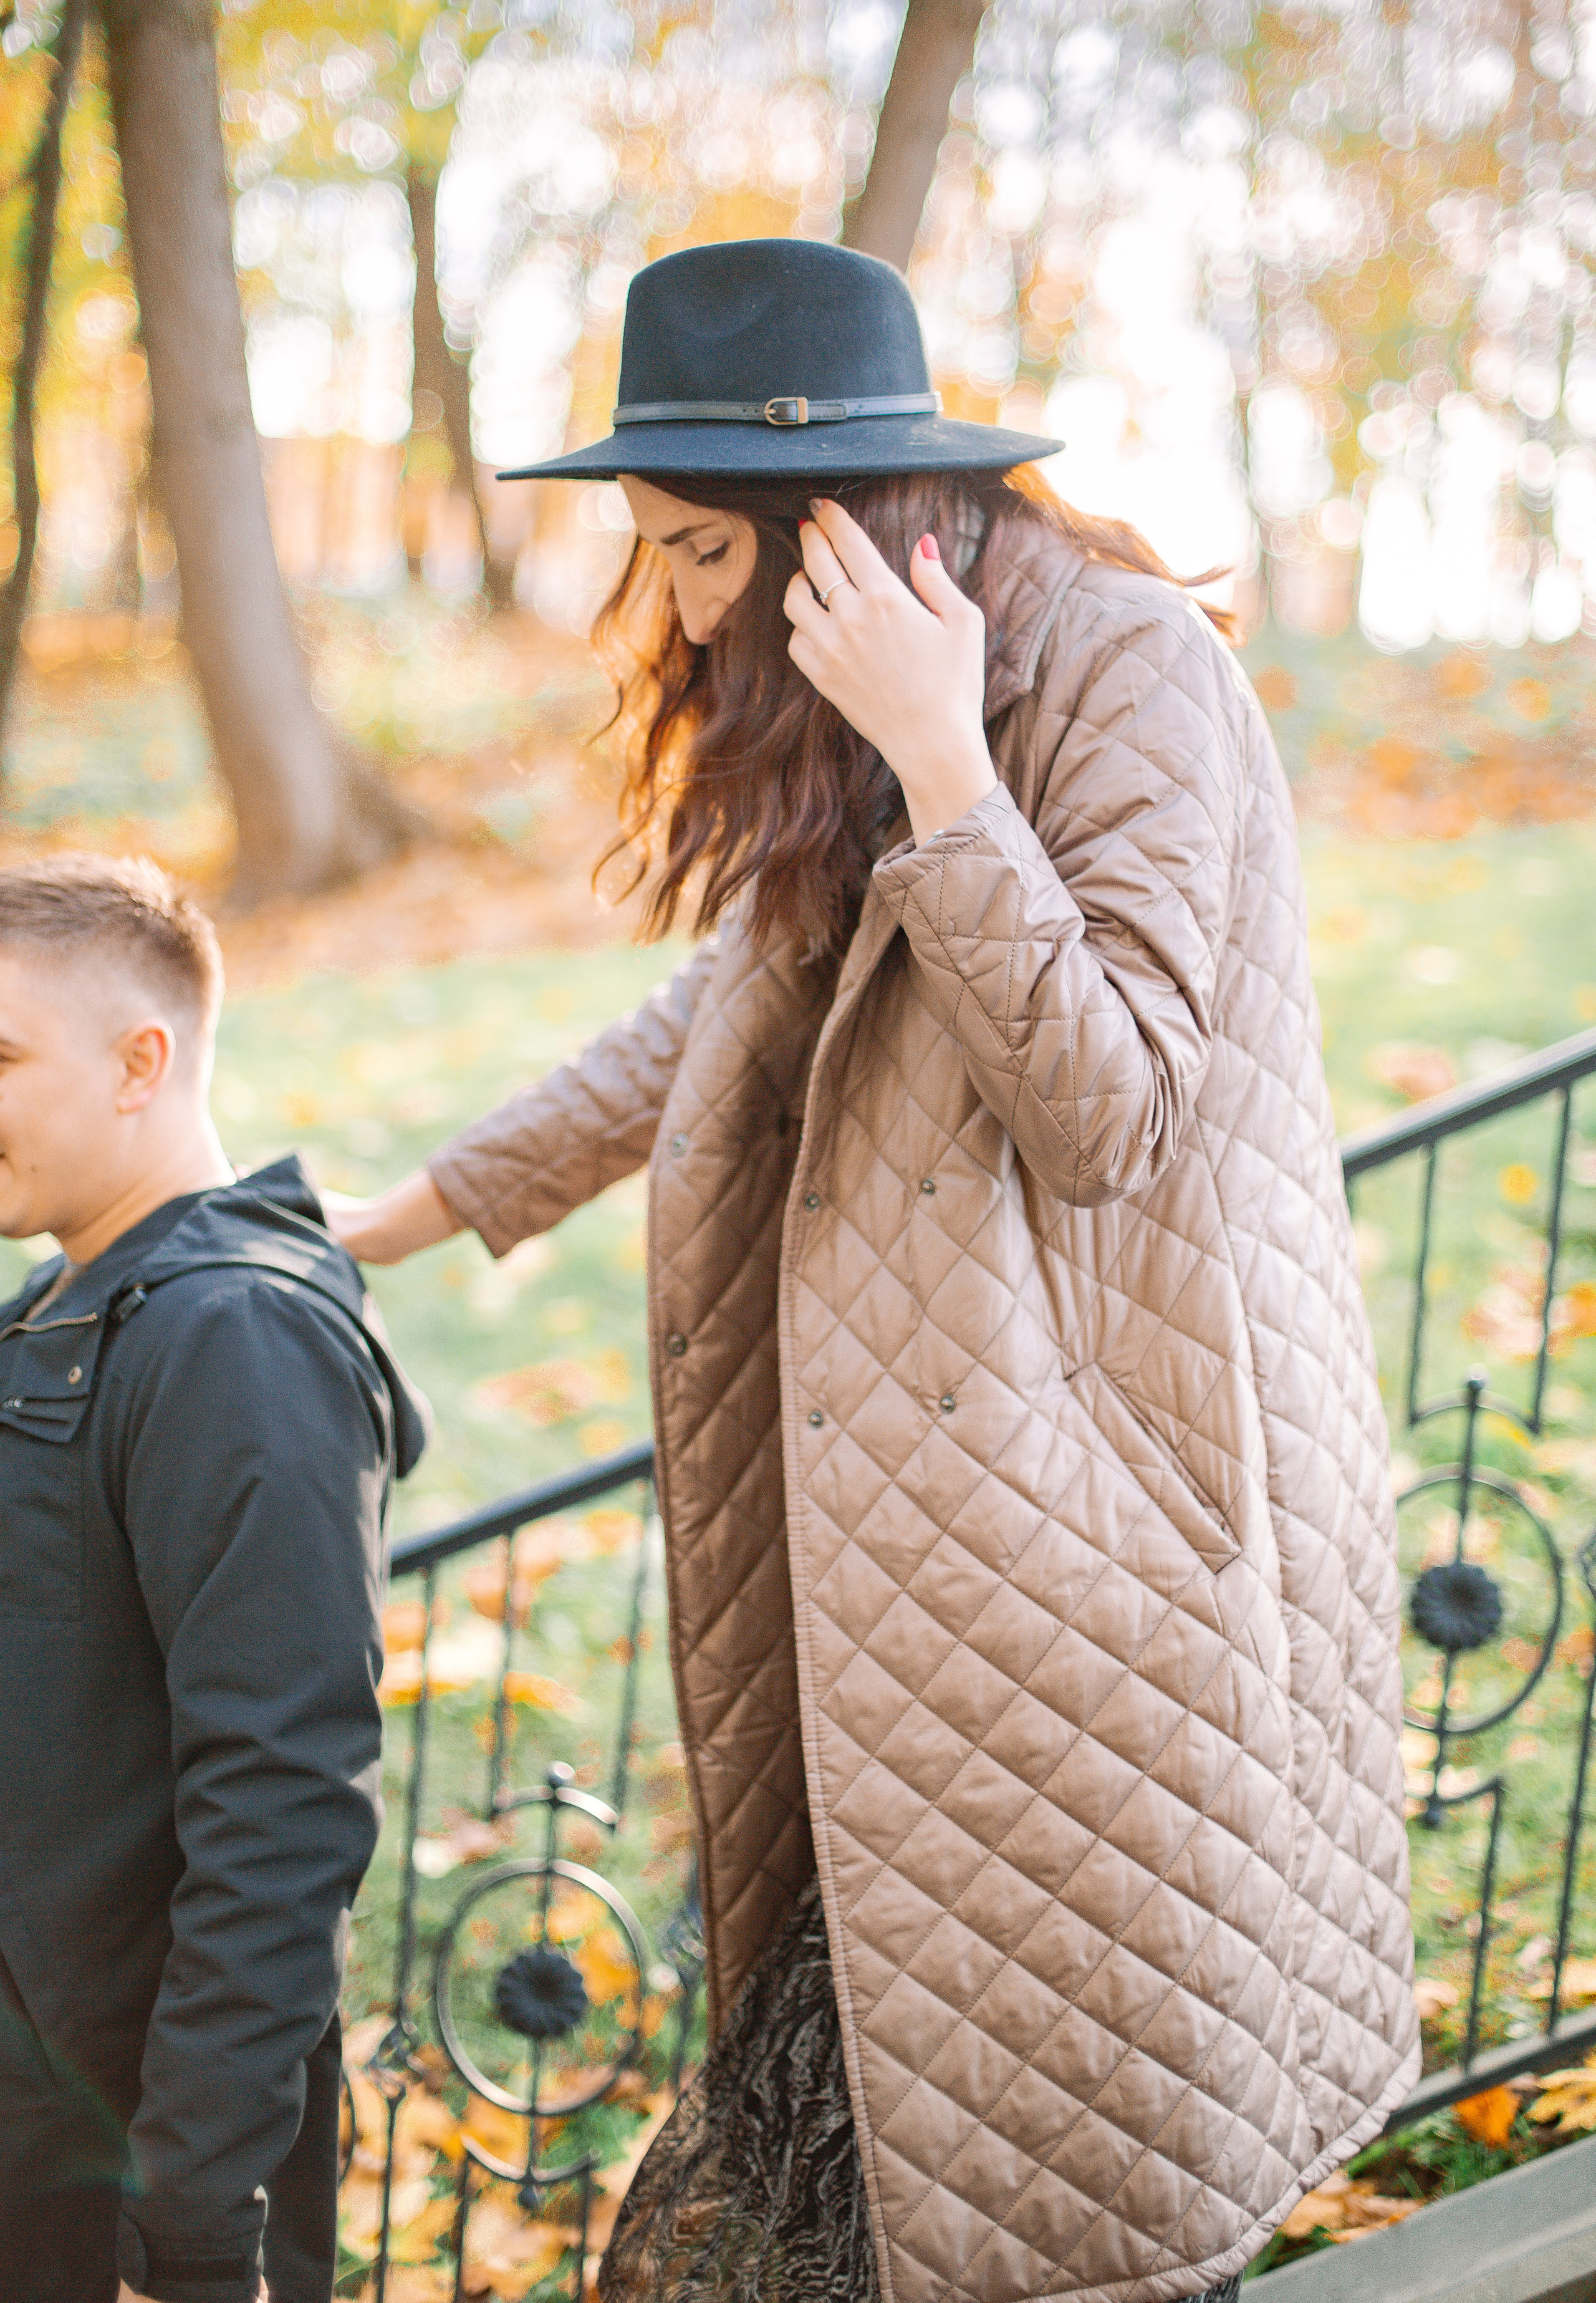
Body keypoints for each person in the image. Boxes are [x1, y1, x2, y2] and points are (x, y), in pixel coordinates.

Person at [330, 239, 1418, 2303]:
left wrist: (949, 762)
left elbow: (1107, 1115)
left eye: (690, 553)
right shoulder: (863, 681)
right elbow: (739, 1021)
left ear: (824, 521)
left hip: (1090, 1583)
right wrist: (431, 1203)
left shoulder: (1111, 674)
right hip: (899, 1583)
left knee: (1057, 2210)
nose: (666, 604)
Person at [0, 854, 428, 2303]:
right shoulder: (64, 1304)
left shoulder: (236, 1335)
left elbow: (282, 1802)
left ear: (142, 1062)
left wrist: (189, 2218)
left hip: (113, 2175)